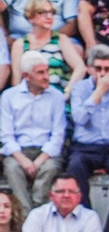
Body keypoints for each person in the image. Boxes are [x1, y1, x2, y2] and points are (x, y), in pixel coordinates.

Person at [64, 47, 109, 208]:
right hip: (86, 147)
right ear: (89, 69)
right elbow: (79, 118)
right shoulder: (79, 89)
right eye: (98, 69)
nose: (102, 74)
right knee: (75, 165)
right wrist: (98, 93)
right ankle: (83, 215)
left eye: (107, 69)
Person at [0, 51, 65, 217]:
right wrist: (23, 160)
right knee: (12, 168)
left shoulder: (56, 96)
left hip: (46, 153)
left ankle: (37, 214)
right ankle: (25, 216)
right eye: (40, 72)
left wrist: (37, 163)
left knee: (50, 168)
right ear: (26, 76)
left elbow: (58, 135)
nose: (46, 77)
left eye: (47, 71)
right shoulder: (9, 96)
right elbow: (6, 135)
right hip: (19, 152)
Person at [13, 0, 83, 94]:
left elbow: (80, 68)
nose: (49, 16)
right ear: (31, 17)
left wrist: (67, 92)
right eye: (42, 13)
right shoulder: (20, 44)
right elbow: (16, 81)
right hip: (31, 100)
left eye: (51, 12)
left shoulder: (61, 40)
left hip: (58, 98)